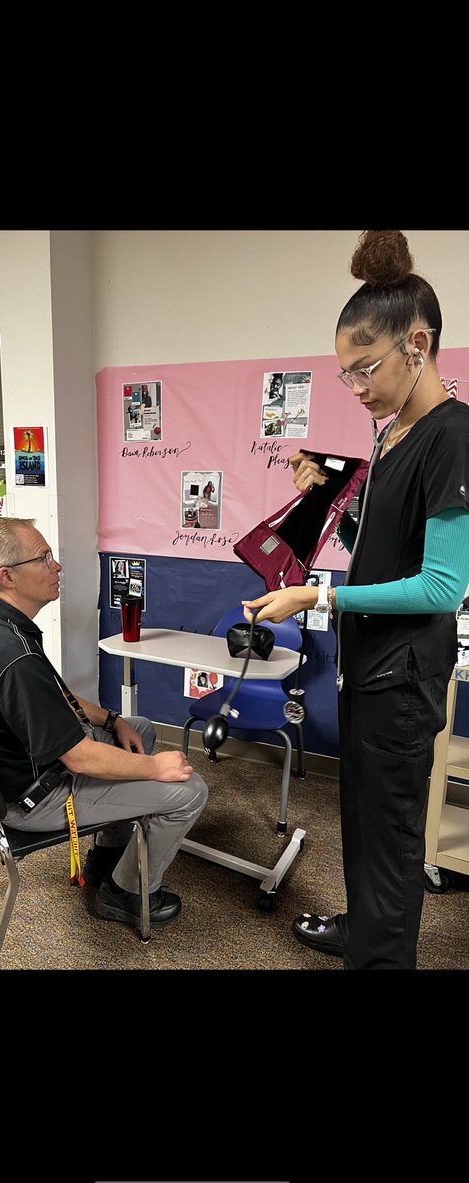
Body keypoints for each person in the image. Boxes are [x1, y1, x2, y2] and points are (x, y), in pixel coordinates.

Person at [242, 229, 469, 970]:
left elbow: (442, 585)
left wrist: (321, 596)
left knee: (394, 830)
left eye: (365, 368)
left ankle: (382, 955)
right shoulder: (392, 434)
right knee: (363, 817)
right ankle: (366, 927)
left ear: (419, 344)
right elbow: (379, 542)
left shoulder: (453, 436)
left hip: (402, 677)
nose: (358, 387)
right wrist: (329, 500)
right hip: (368, 666)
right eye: (346, 375)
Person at [0, 517, 208, 930]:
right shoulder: (15, 658)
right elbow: (81, 758)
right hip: (35, 800)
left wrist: (112, 718)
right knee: (190, 791)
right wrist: (156, 769)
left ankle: (105, 855)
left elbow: (56, 697)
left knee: (138, 729)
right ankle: (125, 893)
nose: (57, 567)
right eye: (45, 558)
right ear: (7, 576)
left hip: (22, 770)